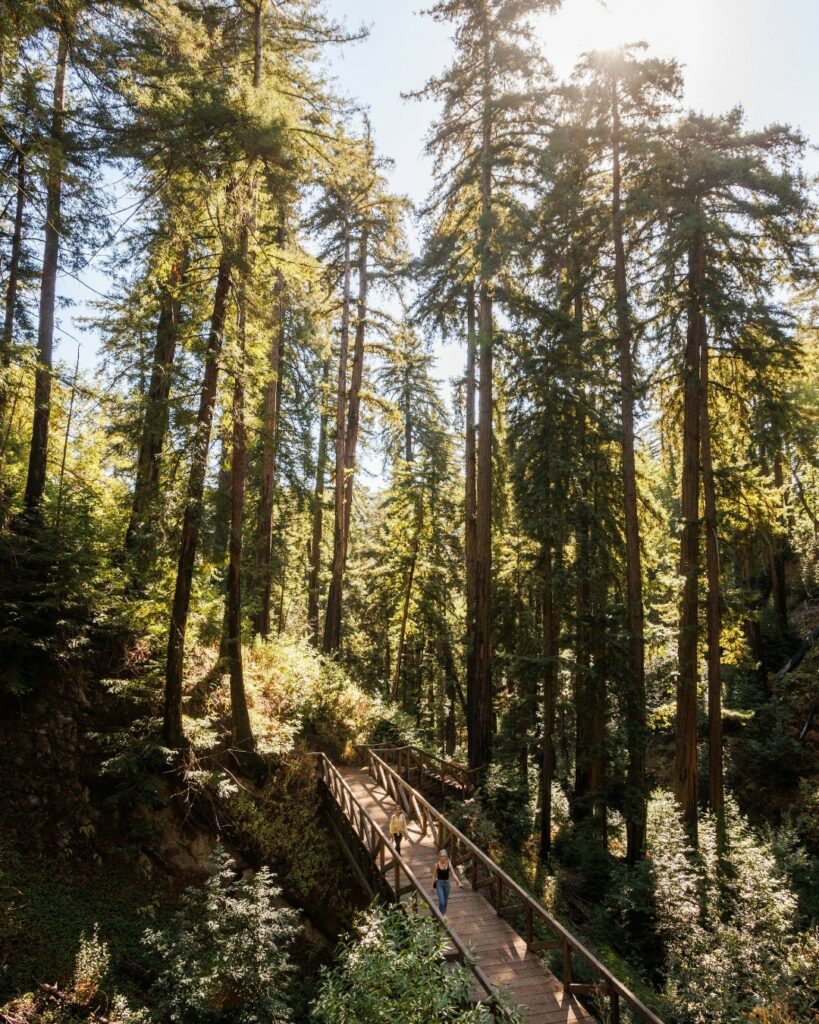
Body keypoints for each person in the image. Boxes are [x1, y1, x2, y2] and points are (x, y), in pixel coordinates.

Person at [431, 848, 462, 918]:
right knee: (441, 901)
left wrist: (458, 882)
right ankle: (441, 916)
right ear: (439, 856)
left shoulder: (448, 864)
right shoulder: (436, 865)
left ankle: (443, 914)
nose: (442, 858)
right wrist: (432, 886)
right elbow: (433, 876)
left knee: (445, 901)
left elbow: (453, 874)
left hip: (447, 884)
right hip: (439, 884)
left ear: (446, 857)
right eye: (441, 856)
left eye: (444, 856)